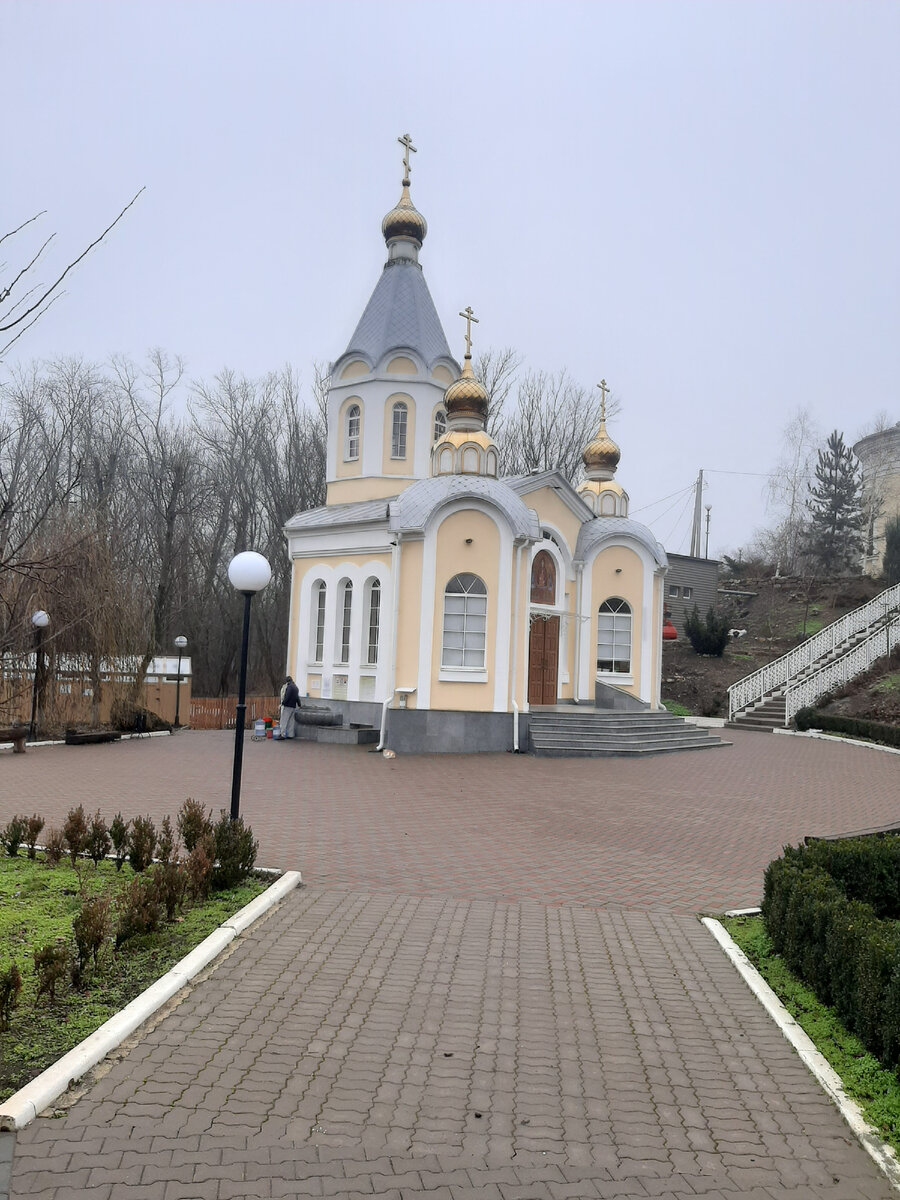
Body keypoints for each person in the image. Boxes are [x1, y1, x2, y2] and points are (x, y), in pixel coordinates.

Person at [279, 676, 300, 740]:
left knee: (283, 721)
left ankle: (282, 735)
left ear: (287, 681)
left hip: (287, 706)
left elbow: (287, 697)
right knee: (291, 722)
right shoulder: (296, 687)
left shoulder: (289, 687)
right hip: (293, 707)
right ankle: (290, 735)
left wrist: (282, 704)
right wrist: (299, 704)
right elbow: (297, 697)